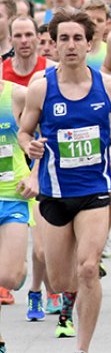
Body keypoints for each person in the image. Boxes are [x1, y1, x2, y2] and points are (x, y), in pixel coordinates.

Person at [18, 10, 111, 351]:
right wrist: (30, 146)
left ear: (89, 43)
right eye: (64, 39)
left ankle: (83, 347)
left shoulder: (109, 85)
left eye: (77, 38)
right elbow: (25, 133)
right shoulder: (41, 89)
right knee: (60, 280)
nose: (71, 45)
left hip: (94, 191)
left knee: (87, 269)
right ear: (54, 45)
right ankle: (68, 297)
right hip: (54, 193)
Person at [0, 74, 33, 352]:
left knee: (9, 278)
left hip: (13, 194)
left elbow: (46, 137)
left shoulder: (18, 95)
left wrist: (34, 176)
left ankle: (19, 267)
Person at [2, 16, 49, 86]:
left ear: (38, 37)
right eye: (18, 36)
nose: (24, 40)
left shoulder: (51, 69)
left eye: (28, 35)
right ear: (10, 40)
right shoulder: (1, 72)